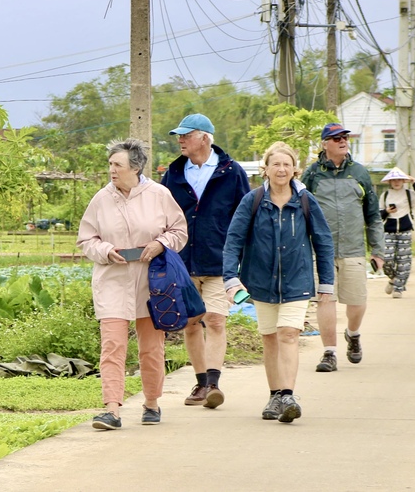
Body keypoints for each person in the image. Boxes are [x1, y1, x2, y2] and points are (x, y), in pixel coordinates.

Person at [77, 138, 187, 430]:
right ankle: (111, 410)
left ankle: (152, 402)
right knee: (113, 345)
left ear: (135, 167)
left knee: (151, 348)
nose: (112, 170)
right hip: (113, 280)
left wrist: (160, 244)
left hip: (153, 282)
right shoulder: (101, 199)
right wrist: (105, 251)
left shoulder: (159, 194)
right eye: (110, 164)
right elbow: (86, 240)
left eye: (118, 165)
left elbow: (179, 230)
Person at [223, 142, 334, 423]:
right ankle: (274, 395)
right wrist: (230, 278)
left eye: (287, 164)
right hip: (260, 282)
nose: (281, 169)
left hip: (297, 281)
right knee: (270, 338)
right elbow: (233, 240)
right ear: (266, 168)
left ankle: (287, 395)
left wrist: (326, 284)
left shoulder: (306, 201)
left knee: (288, 334)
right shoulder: (253, 200)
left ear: (295, 169)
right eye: (276, 164)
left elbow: (323, 242)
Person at [161, 113, 250, 409]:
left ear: (204, 137)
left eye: (186, 135)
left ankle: (213, 383)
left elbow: (244, 215)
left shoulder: (232, 171)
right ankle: (200, 383)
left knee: (215, 319)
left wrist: (242, 259)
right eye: (179, 135)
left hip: (218, 259)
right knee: (190, 323)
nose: (180, 140)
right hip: (182, 261)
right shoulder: (173, 173)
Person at [301, 122, 385, 372]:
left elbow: (372, 215)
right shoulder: (312, 175)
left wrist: (378, 250)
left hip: (354, 249)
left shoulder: (359, 173)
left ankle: (353, 333)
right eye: (335, 138)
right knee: (325, 299)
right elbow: (301, 213)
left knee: (357, 302)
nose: (342, 141)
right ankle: (329, 353)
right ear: (324, 143)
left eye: (344, 137)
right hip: (321, 251)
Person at [379, 167, 415, 299]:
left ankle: (398, 288)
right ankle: (393, 278)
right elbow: (379, 213)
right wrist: (387, 211)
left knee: (403, 260)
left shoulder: (409, 193)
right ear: (389, 182)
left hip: (405, 230)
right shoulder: (385, 195)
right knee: (386, 259)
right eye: (394, 180)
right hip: (388, 230)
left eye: (399, 179)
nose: (396, 182)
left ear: (404, 181)